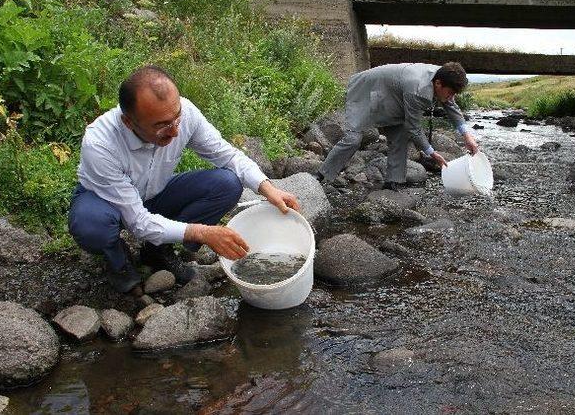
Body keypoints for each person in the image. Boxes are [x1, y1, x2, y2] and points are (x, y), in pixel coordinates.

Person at [68, 65, 299, 294]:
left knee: (227, 184)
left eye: (175, 117)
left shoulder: (185, 113)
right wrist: (202, 232)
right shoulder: (100, 144)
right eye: (161, 125)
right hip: (106, 203)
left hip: (155, 194)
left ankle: (157, 250)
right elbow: (138, 222)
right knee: (92, 226)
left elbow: (227, 155)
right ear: (129, 122)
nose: (175, 131)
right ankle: (117, 260)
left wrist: (267, 188)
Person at [313, 62, 479, 190]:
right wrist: (431, 152)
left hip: (394, 95)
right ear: (438, 84)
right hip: (367, 90)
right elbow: (414, 128)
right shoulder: (419, 90)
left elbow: (451, 105)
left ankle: (392, 182)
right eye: (450, 93)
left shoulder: (445, 75)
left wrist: (467, 136)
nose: (452, 97)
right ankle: (321, 175)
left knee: (400, 136)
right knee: (353, 139)